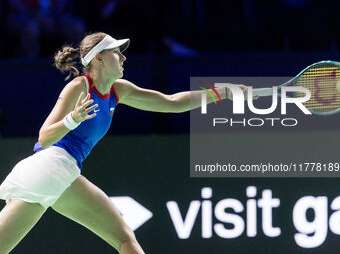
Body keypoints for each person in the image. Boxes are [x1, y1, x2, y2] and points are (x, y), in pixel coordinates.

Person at [0, 32, 246, 254]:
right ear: (98, 58)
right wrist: (72, 119)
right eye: (116, 52)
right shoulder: (80, 86)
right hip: (48, 169)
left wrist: (222, 93)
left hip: (66, 173)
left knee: (124, 237)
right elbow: (44, 137)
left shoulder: (120, 90)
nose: (123, 58)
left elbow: (172, 102)